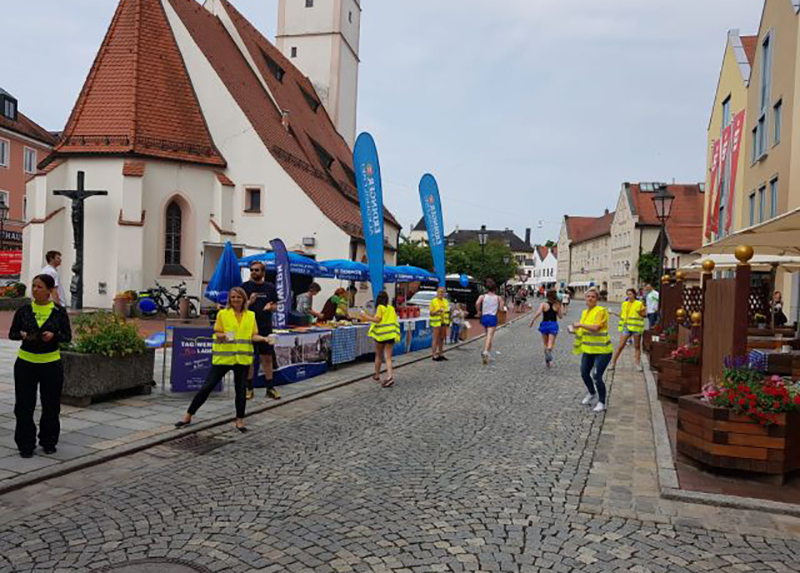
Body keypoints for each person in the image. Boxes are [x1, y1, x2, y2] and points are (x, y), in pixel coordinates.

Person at [175, 287, 270, 432]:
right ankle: (188, 415)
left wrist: (263, 338)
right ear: (229, 300)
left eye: (238, 297)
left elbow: (253, 335)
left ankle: (240, 421)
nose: (235, 300)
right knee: (207, 387)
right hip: (224, 358)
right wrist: (222, 336)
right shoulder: (223, 314)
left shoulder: (251, 315)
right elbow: (216, 331)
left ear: (244, 299)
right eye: (233, 297)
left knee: (241, 391)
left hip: (242, 359)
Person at [9, 274, 72, 458]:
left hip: (50, 364)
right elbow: (12, 333)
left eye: (40, 287)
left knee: (51, 405)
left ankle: (48, 441)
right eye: (33, 286)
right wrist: (21, 335)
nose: (35, 290)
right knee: (24, 406)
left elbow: (67, 336)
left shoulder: (59, 312)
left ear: (49, 291)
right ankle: (25, 444)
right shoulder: (24, 310)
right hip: (26, 363)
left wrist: (54, 336)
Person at [241, 261, 280, 401]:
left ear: (263, 272)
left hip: (265, 327)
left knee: (267, 358)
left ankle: (270, 387)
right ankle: (249, 388)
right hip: (248, 328)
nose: (253, 272)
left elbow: (276, 305)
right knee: (250, 359)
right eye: (251, 270)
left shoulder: (269, 287)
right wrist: (249, 303)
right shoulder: (244, 287)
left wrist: (271, 307)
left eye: (257, 270)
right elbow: (238, 308)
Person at [571, 287, 613, 413]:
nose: (590, 298)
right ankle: (591, 393)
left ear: (597, 299)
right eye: (588, 296)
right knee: (584, 373)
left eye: (593, 297)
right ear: (585, 298)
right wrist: (573, 330)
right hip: (588, 349)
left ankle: (602, 402)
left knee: (596, 375)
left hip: (603, 350)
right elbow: (583, 329)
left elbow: (596, 327)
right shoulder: (585, 312)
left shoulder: (601, 310)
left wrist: (580, 325)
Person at [361, 291, 400, 387]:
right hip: (390, 334)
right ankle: (389, 376)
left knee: (378, 355)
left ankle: (377, 375)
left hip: (381, 335)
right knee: (388, 357)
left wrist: (365, 316)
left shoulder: (380, 308)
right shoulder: (391, 308)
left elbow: (377, 320)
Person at [609, 288, 646, 372]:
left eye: (630, 294)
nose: (629, 296)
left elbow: (644, 315)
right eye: (628, 294)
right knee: (621, 346)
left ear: (634, 294)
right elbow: (622, 315)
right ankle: (613, 363)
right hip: (626, 327)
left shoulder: (639, 304)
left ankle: (637, 364)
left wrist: (640, 313)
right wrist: (613, 313)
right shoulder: (624, 304)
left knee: (637, 346)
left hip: (636, 328)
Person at [529, 289, 563, 368]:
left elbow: (538, 313)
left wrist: (532, 321)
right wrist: (559, 309)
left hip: (544, 324)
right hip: (553, 324)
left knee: (545, 343)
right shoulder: (557, 305)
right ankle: (549, 351)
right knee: (550, 344)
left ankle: (547, 361)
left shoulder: (543, 304)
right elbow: (560, 316)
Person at [476, 278, 504, 364]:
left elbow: (477, 303)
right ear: (495, 288)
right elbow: (501, 309)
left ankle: (488, 354)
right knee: (490, 335)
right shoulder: (498, 298)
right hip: (492, 317)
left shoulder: (482, 296)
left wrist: (478, 311)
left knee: (487, 335)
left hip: (484, 317)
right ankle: (485, 352)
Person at [429, 287, 450, 361]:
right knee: (435, 339)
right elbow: (431, 313)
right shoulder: (433, 301)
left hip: (443, 322)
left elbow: (448, 311)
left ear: (444, 293)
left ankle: (441, 354)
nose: (441, 293)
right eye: (440, 292)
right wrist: (438, 311)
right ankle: (434, 355)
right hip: (436, 323)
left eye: (442, 292)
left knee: (442, 338)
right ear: (437, 292)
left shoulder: (446, 301)